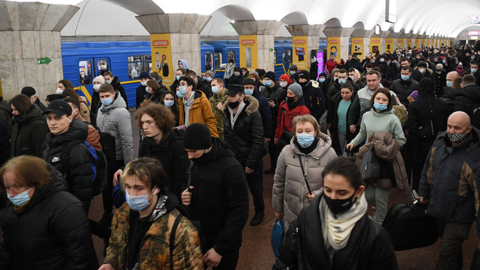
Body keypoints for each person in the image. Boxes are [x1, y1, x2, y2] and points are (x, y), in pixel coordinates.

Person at [273, 157, 399, 269]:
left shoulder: (375, 235)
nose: (333, 197)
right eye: (328, 190)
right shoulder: (306, 216)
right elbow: (285, 259)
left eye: (342, 193)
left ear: (359, 191)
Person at [101, 158, 204, 270]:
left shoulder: (180, 230)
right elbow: (115, 246)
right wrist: (110, 263)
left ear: (156, 189)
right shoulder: (122, 214)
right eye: (128, 187)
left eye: (139, 188)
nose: (132, 194)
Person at [0, 156, 99, 270]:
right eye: (7, 188)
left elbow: (80, 259)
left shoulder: (67, 209)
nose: (11, 195)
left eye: (17, 186)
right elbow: (7, 245)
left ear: (36, 181)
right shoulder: (15, 207)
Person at [181, 123, 249, 269]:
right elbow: (186, 181)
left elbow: (239, 211)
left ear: (207, 146)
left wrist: (220, 249)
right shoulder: (194, 160)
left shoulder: (232, 168)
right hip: (198, 236)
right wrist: (184, 194)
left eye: (193, 151)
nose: (189, 156)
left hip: (223, 243)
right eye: (187, 151)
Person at [418, 112, 480, 270]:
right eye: (449, 126)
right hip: (440, 207)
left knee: (447, 253)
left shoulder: (474, 158)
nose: (451, 131)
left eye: (457, 128)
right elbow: (428, 168)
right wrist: (423, 191)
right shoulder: (440, 142)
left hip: (460, 215)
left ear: (468, 130)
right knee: (451, 252)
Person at [347, 88, 406, 224]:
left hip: (385, 162)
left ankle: (380, 224)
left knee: (381, 197)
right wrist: (352, 143)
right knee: (368, 194)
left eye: (384, 100)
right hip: (368, 159)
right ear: (373, 100)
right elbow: (362, 133)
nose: (380, 102)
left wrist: (387, 147)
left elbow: (401, 140)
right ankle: (377, 212)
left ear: (389, 103)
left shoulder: (393, 119)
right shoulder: (367, 115)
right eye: (378, 99)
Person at [273, 115, 336, 232]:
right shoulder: (286, 152)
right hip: (291, 213)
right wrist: (277, 208)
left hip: (316, 213)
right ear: (295, 133)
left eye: (308, 131)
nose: (304, 134)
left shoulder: (330, 154)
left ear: (315, 132)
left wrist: (319, 194)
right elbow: (279, 181)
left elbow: (335, 183)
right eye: (300, 131)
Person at [223, 84, 265, 226]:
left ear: (241, 97)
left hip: (248, 157)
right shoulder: (226, 111)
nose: (230, 98)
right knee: (234, 188)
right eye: (228, 96)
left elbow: (258, 140)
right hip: (232, 158)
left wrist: (251, 162)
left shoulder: (253, 113)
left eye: (233, 96)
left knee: (255, 188)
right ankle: (236, 212)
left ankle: (260, 211)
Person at [42, 100, 94, 212]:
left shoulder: (77, 149)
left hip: (67, 208)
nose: (52, 123)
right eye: (49, 118)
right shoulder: (48, 142)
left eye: (58, 118)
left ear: (70, 119)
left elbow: (82, 189)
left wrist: (79, 214)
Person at [97, 83, 134, 222]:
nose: (104, 99)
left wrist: (128, 165)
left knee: (119, 189)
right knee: (105, 188)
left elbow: (127, 139)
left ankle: (124, 216)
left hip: (118, 158)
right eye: (102, 97)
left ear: (113, 95)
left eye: (107, 96)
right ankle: (107, 214)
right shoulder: (100, 110)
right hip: (105, 157)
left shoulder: (122, 113)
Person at [407, 78, 449, 192]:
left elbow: (412, 129)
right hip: (439, 145)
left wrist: (414, 150)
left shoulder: (414, 106)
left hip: (421, 146)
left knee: (419, 173)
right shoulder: (443, 104)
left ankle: (418, 195)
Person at [261, 71, 287, 174]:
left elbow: (284, 109)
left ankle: (279, 167)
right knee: (271, 147)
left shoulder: (281, 92)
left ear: (272, 80)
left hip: (276, 121)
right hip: (267, 121)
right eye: (265, 79)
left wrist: (274, 106)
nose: (266, 81)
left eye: (268, 79)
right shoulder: (263, 91)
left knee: (276, 146)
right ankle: (273, 166)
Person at [274, 83, 310, 152]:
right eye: (287, 92)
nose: (288, 95)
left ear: (297, 96)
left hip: (294, 140)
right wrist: (276, 135)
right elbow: (279, 121)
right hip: (282, 137)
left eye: (291, 94)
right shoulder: (283, 104)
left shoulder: (304, 110)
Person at [327, 82, 358, 155]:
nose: (344, 95)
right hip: (340, 131)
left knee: (349, 153)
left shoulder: (355, 103)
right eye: (342, 93)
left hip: (351, 133)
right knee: (342, 151)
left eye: (347, 93)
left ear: (352, 92)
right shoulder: (336, 101)